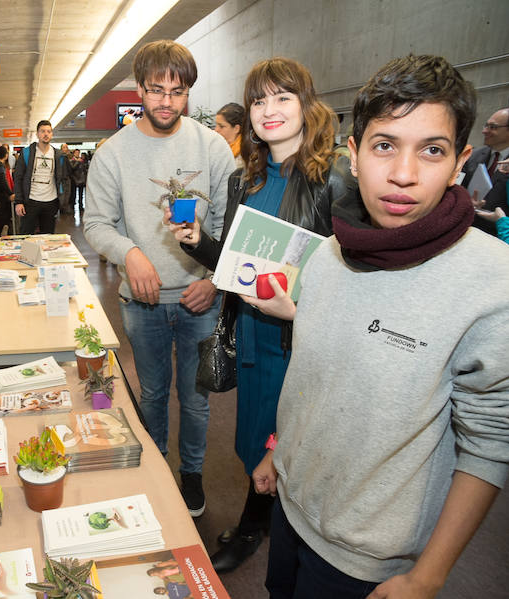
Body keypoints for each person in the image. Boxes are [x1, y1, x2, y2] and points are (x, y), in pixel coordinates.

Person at [248, 54, 509, 598]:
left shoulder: (492, 282)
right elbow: (314, 374)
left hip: (367, 556)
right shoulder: (329, 253)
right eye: (385, 145)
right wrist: (279, 451)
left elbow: (490, 443)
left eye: (432, 150)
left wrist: (426, 575)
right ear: (355, 152)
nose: (404, 174)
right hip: (292, 508)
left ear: (461, 161)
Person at [168, 57, 356, 573]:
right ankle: (267, 522)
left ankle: (264, 531)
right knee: (255, 444)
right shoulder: (243, 179)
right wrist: (197, 242)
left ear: (306, 105)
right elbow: (233, 266)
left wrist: (300, 308)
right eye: (258, 100)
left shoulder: (335, 178)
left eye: (282, 98)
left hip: (300, 342)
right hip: (250, 333)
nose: (268, 111)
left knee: (289, 448)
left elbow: (356, 278)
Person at [83, 40, 234, 517]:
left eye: (178, 90)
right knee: (151, 394)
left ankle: (191, 475)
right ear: (140, 90)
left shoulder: (211, 148)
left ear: (188, 92)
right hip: (142, 303)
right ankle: (153, 470)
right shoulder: (114, 153)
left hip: (199, 300)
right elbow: (97, 224)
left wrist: (215, 279)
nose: (166, 101)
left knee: (194, 401)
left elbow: (231, 225)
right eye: (156, 89)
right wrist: (131, 254)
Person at [461, 106, 509, 236]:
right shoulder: (473, 155)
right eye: (485, 125)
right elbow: (458, 187)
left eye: (492, 127)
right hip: (467, 229)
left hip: (500, 236)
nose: (484, 131)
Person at [13, 120, 68, 234]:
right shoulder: (27, 153)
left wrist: (63, 201)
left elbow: (63, 179)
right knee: (26, 236)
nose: (46, 134)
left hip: (51, 202)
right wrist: (18, 201)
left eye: (48, 131)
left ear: (52, 134)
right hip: (31, 201)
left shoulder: (58, 155)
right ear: (37, 134)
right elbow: (18, 178)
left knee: (48, 238)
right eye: (42, 131)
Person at [0, 144, 15, 244]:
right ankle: (4, 234)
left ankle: (2, 232)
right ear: (5, 155)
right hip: (3, 195)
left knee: (2, 214)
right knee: (5, 214)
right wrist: (10, 193)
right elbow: (3, 182)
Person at [213, 102, 245, 169]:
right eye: (216, 125)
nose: (216, 130)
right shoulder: (217, 147)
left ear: (236, 128)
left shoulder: (246, 155)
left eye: (221, 126)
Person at [69, 148, 88, 213]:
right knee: (73, 194)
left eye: (78, 153)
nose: (77, 154)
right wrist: (77, 162)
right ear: (74, 153)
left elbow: (84, 169)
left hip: (81, 179)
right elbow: (72, 168)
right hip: (74, 179)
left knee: (81, 194)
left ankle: (81, 206)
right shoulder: (72, 160)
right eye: (76, 153)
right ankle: (72, 206)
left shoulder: (82, 160)